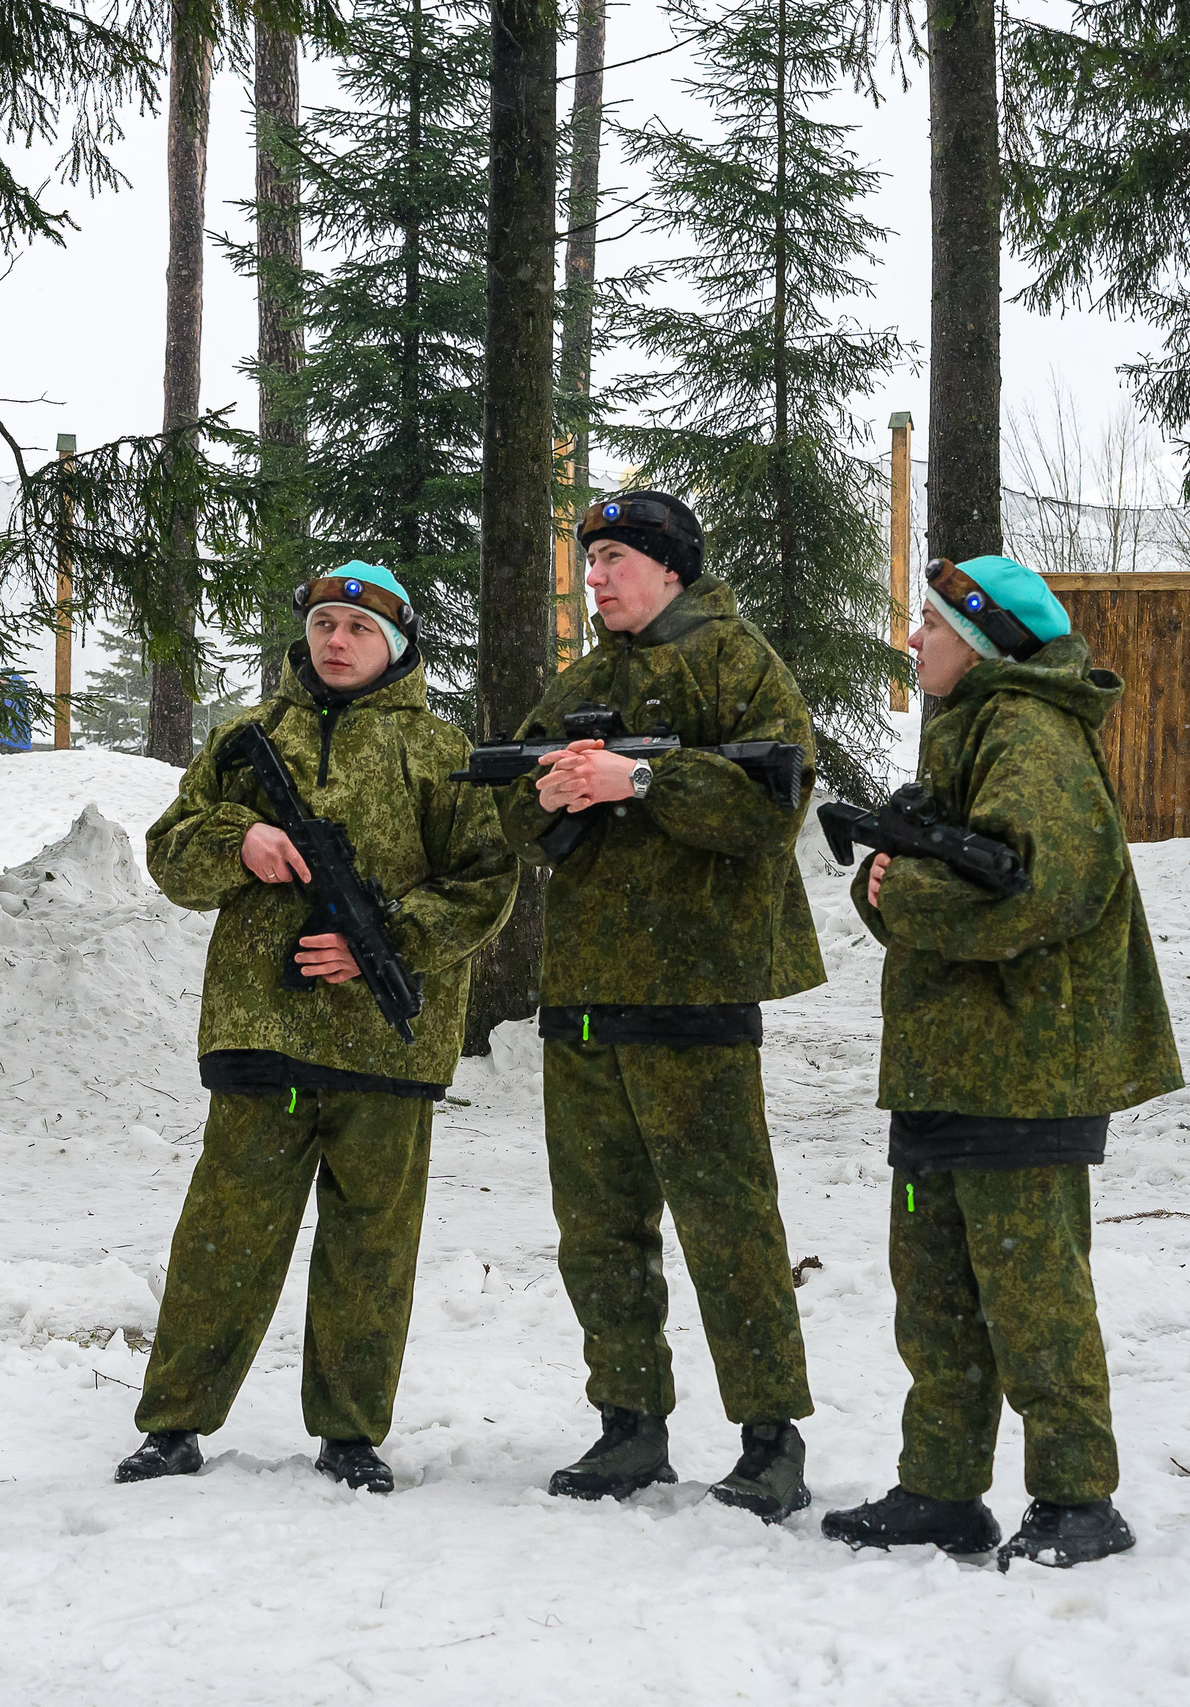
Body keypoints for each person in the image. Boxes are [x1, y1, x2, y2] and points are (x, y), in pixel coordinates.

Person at [117, 565, 516, 1495]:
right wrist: (239, 843)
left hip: (388, 1043)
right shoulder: (249, 739)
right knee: (224, 1238)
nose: (338, 640)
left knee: (371, 1248)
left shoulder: (439, 749)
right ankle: (174, 1424)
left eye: (360, 629)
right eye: (327, 623)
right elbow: (170, 854)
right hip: (264, 1030)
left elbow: (483, 884)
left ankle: (350, 1432)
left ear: (398, 645)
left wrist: (388, 941)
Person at [821, 553, 1181, 1571]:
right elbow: (900, 879)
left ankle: (1077, 1501)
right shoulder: (969, 731)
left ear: (977, 643)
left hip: (1025, 1063)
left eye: (929, 625)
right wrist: (885, 885)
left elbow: (1042, 892)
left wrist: (900, 897)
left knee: (1032, 1297)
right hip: (950, 1062)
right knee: (935, 1294)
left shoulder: (1028, 735)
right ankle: (940, 1488)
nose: (912, 640)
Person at [497, 491, 826, 1517]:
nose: (594, 577)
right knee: (596, 1232)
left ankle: (771, 1439)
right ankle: (628, 1427)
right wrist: (548, 798)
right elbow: (512, 805)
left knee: (728, 1225)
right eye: (589, 560)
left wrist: (639, 783)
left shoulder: (736, 661)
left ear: (670, 568)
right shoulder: (585, 678)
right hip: (586, 996)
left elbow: (774, 806)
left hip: (696, 989)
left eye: (613, 559)